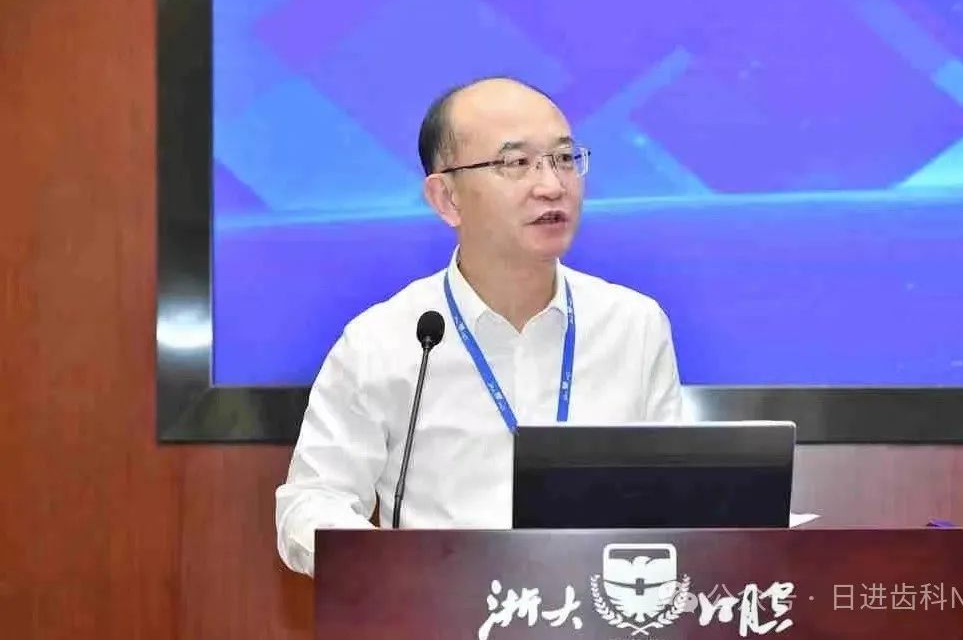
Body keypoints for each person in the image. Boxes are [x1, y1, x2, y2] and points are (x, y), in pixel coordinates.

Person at [275, 77, 684, 576]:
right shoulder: (385, 340)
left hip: (598, 601)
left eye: (563, 158)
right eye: (516, 163)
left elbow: (675, 498)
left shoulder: (634, 325)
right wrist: (390, 567)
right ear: (447, 198)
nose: (552, 186)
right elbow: (310, 502)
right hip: (437, 604)